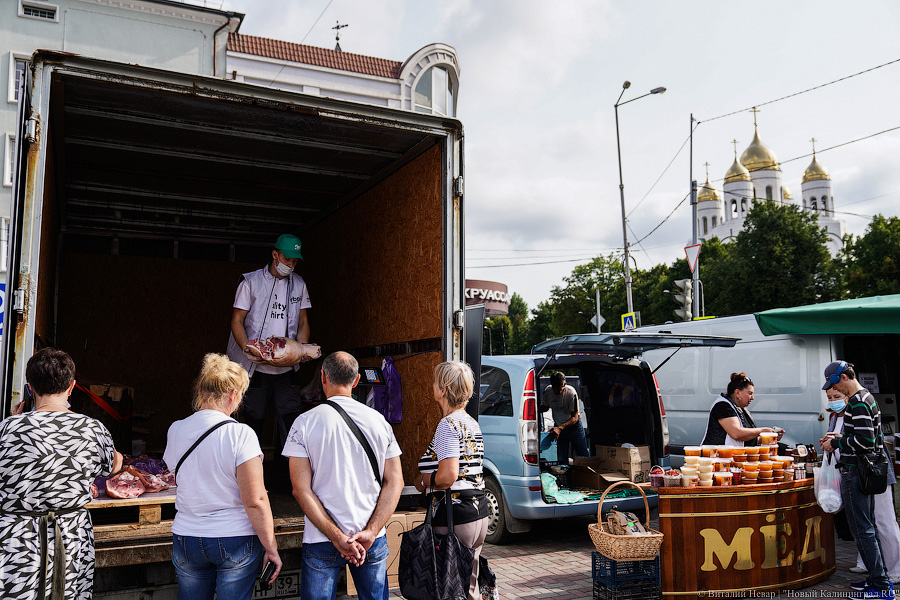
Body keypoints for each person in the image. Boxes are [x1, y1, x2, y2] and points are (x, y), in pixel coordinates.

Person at [0, 348, 123, 599]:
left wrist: (14, 421)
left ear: (30, 387)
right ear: (72, 387)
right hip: (71, 540)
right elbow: (113, 465)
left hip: (16, 542)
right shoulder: (92, 429)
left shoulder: (7, 428)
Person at [284, 351, 403, 600]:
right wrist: (371, 531)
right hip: (370, 539)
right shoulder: (379, 422)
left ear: (323, 378)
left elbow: (300, 489)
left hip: (321, 538)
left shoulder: (304, 423)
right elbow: (395, 482)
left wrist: (337, 538)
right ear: (357, 380)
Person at [163, 354, 282, 600]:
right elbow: (255, 499)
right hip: (234, 538)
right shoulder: (241, 435)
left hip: (187, 537)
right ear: (232, 394)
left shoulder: (176, 429)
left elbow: (176, 475)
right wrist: (271, 546)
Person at [226, 233, 312, 446]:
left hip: (286, 371)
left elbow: (302, 322)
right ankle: (251, 474)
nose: (290, 265)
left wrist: (300, 351)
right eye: (286, 259)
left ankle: (288, 477)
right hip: (255, 370)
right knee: (253, 423)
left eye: (294, 261)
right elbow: (237, 320)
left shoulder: (299, 284)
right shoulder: (251, 282)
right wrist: (247, 349)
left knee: (291, 424)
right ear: (275, 255)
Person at [414, 361, 489, 600]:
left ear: (444, 389)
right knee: (469, 590)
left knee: (447, 590)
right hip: (477, 513)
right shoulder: (471, 422)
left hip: (454, 515)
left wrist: (426, 481)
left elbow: (448, 476)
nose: (432, 386)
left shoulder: (447, 425)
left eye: (435, 382)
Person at [820, 360, 893, 599]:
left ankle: (881, 586)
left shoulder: (857, 401)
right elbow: (864, 435)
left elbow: (865, 442)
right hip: (862, 471)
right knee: (867, 527)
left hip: (856, 471)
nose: (835, 393)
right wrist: (843, 436)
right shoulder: (866, 397)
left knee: (863, 530)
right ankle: (876, 578)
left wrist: (836, 442)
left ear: (842, 378)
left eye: (834, 386)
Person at [701, 372, 776, 447]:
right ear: (737, 393)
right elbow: (736, 434)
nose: (752, 398)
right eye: (750, 393)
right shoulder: (722, 406)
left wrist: (770, 437)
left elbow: (746, 439)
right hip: (714, 456)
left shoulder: (740, 409)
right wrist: (761, 431)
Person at [540, 371, 589, 465]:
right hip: (559, 427)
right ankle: (564, 477)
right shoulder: (548, 391)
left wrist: (560, 428)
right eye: (555, 389)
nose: (557, 391)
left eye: (560, 388)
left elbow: (574, 418)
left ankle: (584, 476)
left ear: (564, 384)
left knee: (582, 456)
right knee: (562, 458)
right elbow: (545, 407)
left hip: (574, 426)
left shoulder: (571, 393)